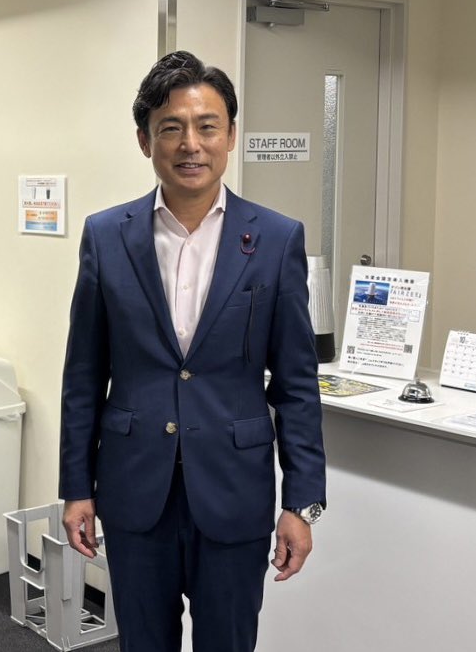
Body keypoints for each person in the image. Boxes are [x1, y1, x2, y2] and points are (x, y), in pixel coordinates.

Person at [59, 51, 326, 652]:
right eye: (171, 128)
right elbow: (84, 376)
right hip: (134, 489)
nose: (191, 144)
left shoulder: (276, 238)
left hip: (235, 490)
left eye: (207, 126)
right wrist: (76, 487)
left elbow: (296, 384)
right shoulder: (106, 235)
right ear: (144, 140)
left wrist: (303, 501)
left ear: (230, 135)